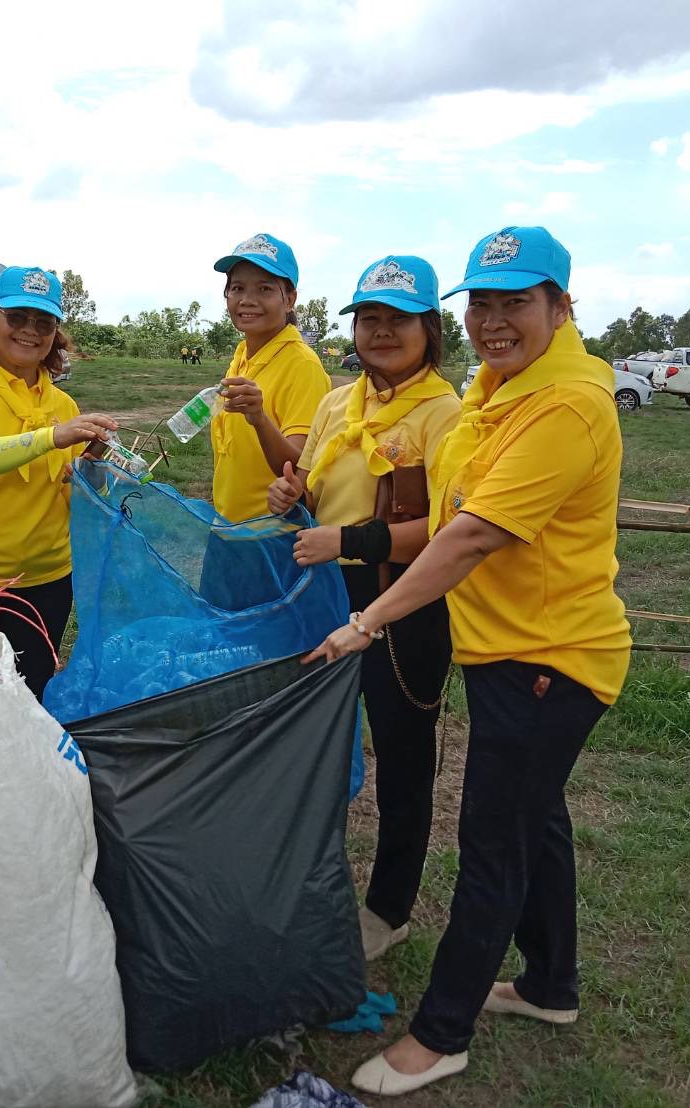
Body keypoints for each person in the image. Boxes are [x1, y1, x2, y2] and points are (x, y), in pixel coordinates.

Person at [304, 227, 631, 1098]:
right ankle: (549, 984)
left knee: (494, 843)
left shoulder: (563, 407)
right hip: (505, 648)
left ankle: (440, 1033)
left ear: (560, 306)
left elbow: (472, 534)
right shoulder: (498, 391)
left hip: (546, 658)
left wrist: (366, 620)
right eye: (481, 302)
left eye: (515, 302)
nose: (493, 320)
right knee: (536, 821)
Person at [268, 255, 461, 962]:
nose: (380, 332)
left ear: (428, 329)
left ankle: (388, 907)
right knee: (314, 741)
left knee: (402, 757)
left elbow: (447, 531)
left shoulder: (447, 415)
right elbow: (316, 493)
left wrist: (344, 537)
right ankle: (307, 878)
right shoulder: (336, 405)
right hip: (325, 594)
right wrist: (292, 499)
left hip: (402, 599)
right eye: (368, 319)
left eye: (396, 319)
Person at [0, 266, 116, 700]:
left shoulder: (62, 403)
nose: (30, 332)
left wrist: (93, 471)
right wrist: (53, 437)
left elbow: (72, 496)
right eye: (17, 318)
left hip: (47, 581)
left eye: (44, 322)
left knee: (30, 703)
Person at [210, 232, 330, 524]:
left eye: (264, 289)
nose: (247, 300)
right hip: (227, 525)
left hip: (271, 536)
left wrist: (259, 418)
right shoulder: (243, 355)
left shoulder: (302, 366)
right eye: (237, 288)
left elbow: (297, 469)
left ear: (289, 299)